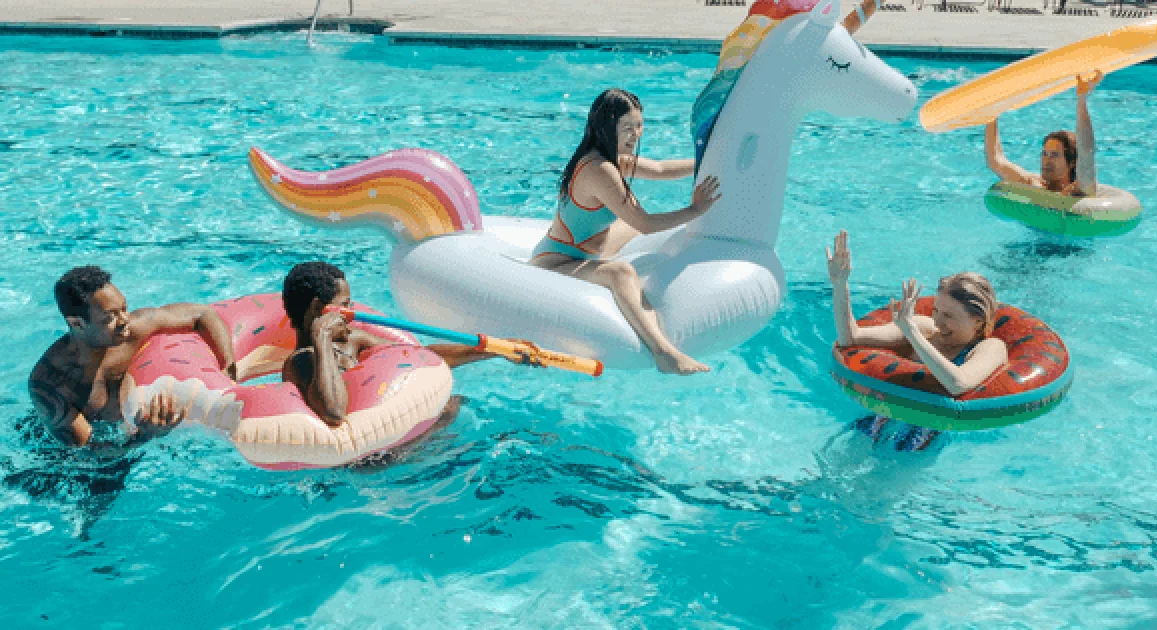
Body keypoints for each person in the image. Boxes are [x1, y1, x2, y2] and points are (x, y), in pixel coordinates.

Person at [531, 88, 722, 376]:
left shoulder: (609, 157)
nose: (636, 135)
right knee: (620, 272)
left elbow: (659, 169)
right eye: (627, 128)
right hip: (556, 261)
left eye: (639, 126)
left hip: (585, 248)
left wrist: (711, 162)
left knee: (628, 226)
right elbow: (644, 223)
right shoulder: (599, 169)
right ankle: (664, 352)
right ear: (607, 128)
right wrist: (696, 210)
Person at [280, 262, 542, 426]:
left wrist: (495, 349)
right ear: (318, 308)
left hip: (405, 445)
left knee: (456, 403)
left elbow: (417, 357)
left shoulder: (354, 342)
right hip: (367, 465)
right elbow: (334, 412)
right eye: (345, 305)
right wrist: (321, 337)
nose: (352, 312)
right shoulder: (300, 363)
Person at [825, 231, 1008, 451]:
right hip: (874, 425)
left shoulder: (990, 348)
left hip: (921, 443)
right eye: (936, 311)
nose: (938, 322)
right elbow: (850, 337)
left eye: (948, 316)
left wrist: (912, 333)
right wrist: (840, 285)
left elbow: (958, 383)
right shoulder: (925, 327)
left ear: (978, 321)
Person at [28, 266, 237, 448]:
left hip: (123, 431)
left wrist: (228, 365)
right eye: (110, 317)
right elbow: (89, 455)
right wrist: (146, 435)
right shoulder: (51, 383)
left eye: (124, 309)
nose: (124, 320)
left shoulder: (132, 330)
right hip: (63, 460)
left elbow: (202, 313)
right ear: (77, 324)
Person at [985, 72, 1104, 198]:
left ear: (1072, 162)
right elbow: (996, 161)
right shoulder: (1033, 184)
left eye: (1054, 155)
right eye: (1044, 154)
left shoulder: (1080, 189)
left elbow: (1086, 151)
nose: (1047, 160)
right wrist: (992, 112)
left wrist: (1082, 100)